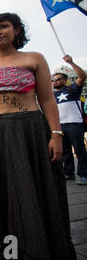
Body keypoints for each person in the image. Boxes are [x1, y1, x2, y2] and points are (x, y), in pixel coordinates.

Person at [0, 12, 77, 260]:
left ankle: (38, 253)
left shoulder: (34, 59)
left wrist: (56, 134)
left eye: (4, 26)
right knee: (1, 193)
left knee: (32, 192)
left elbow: (48, 100)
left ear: (17, 30)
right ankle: (8, 255)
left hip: (30, 131)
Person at [52, 55, 87, 185]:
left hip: (74, 124)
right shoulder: (53, 95)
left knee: (79, 150)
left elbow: (82, 76)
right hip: (60, 125)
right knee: (65, 151)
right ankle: (68, 172)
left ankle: (83, 174)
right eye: (53, 80)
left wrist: (71, 63)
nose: (55, 82)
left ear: (65, 80)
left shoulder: (72, 89)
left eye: (58, 79)